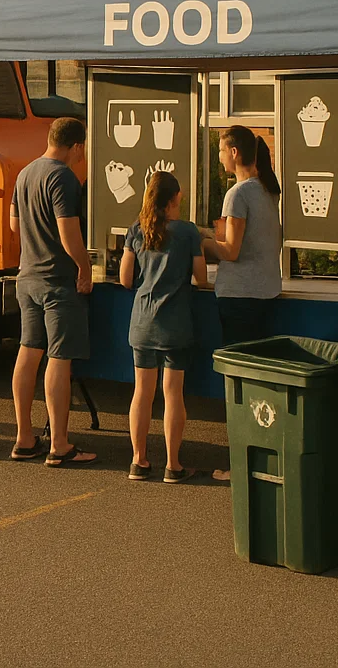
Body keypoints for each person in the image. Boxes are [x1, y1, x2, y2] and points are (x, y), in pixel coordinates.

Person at [8, 116, 96, 466]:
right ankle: (59, 444)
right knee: (59, 358)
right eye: (82, 149)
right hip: (57, 281)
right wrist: (84, 267)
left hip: (26, 277)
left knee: (28, 352)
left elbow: (14, 224)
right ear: (76, 146)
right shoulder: (62, 178)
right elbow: (68, 233)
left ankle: (24, 437)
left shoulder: (25, 173)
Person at [203, 124, 282, 484]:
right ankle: (258, 458)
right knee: (258, 382)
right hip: (265, 294)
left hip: (239, 298)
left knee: (237, 384)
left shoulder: (238, 194)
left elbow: (229, 251)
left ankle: (239, 465)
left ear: (234, 152)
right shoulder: (267, 190)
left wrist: (200, 240)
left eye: (220, 150)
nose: (219, 157)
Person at [119, 171, 205, 484]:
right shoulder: (187, 232)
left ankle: (138, 461)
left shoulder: (136, 230)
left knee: (141, 393)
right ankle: (173, 464)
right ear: (172, 200)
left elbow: (126, 279)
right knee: (173, 394)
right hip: (176, 324)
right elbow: (202, 277)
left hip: (142, 322)